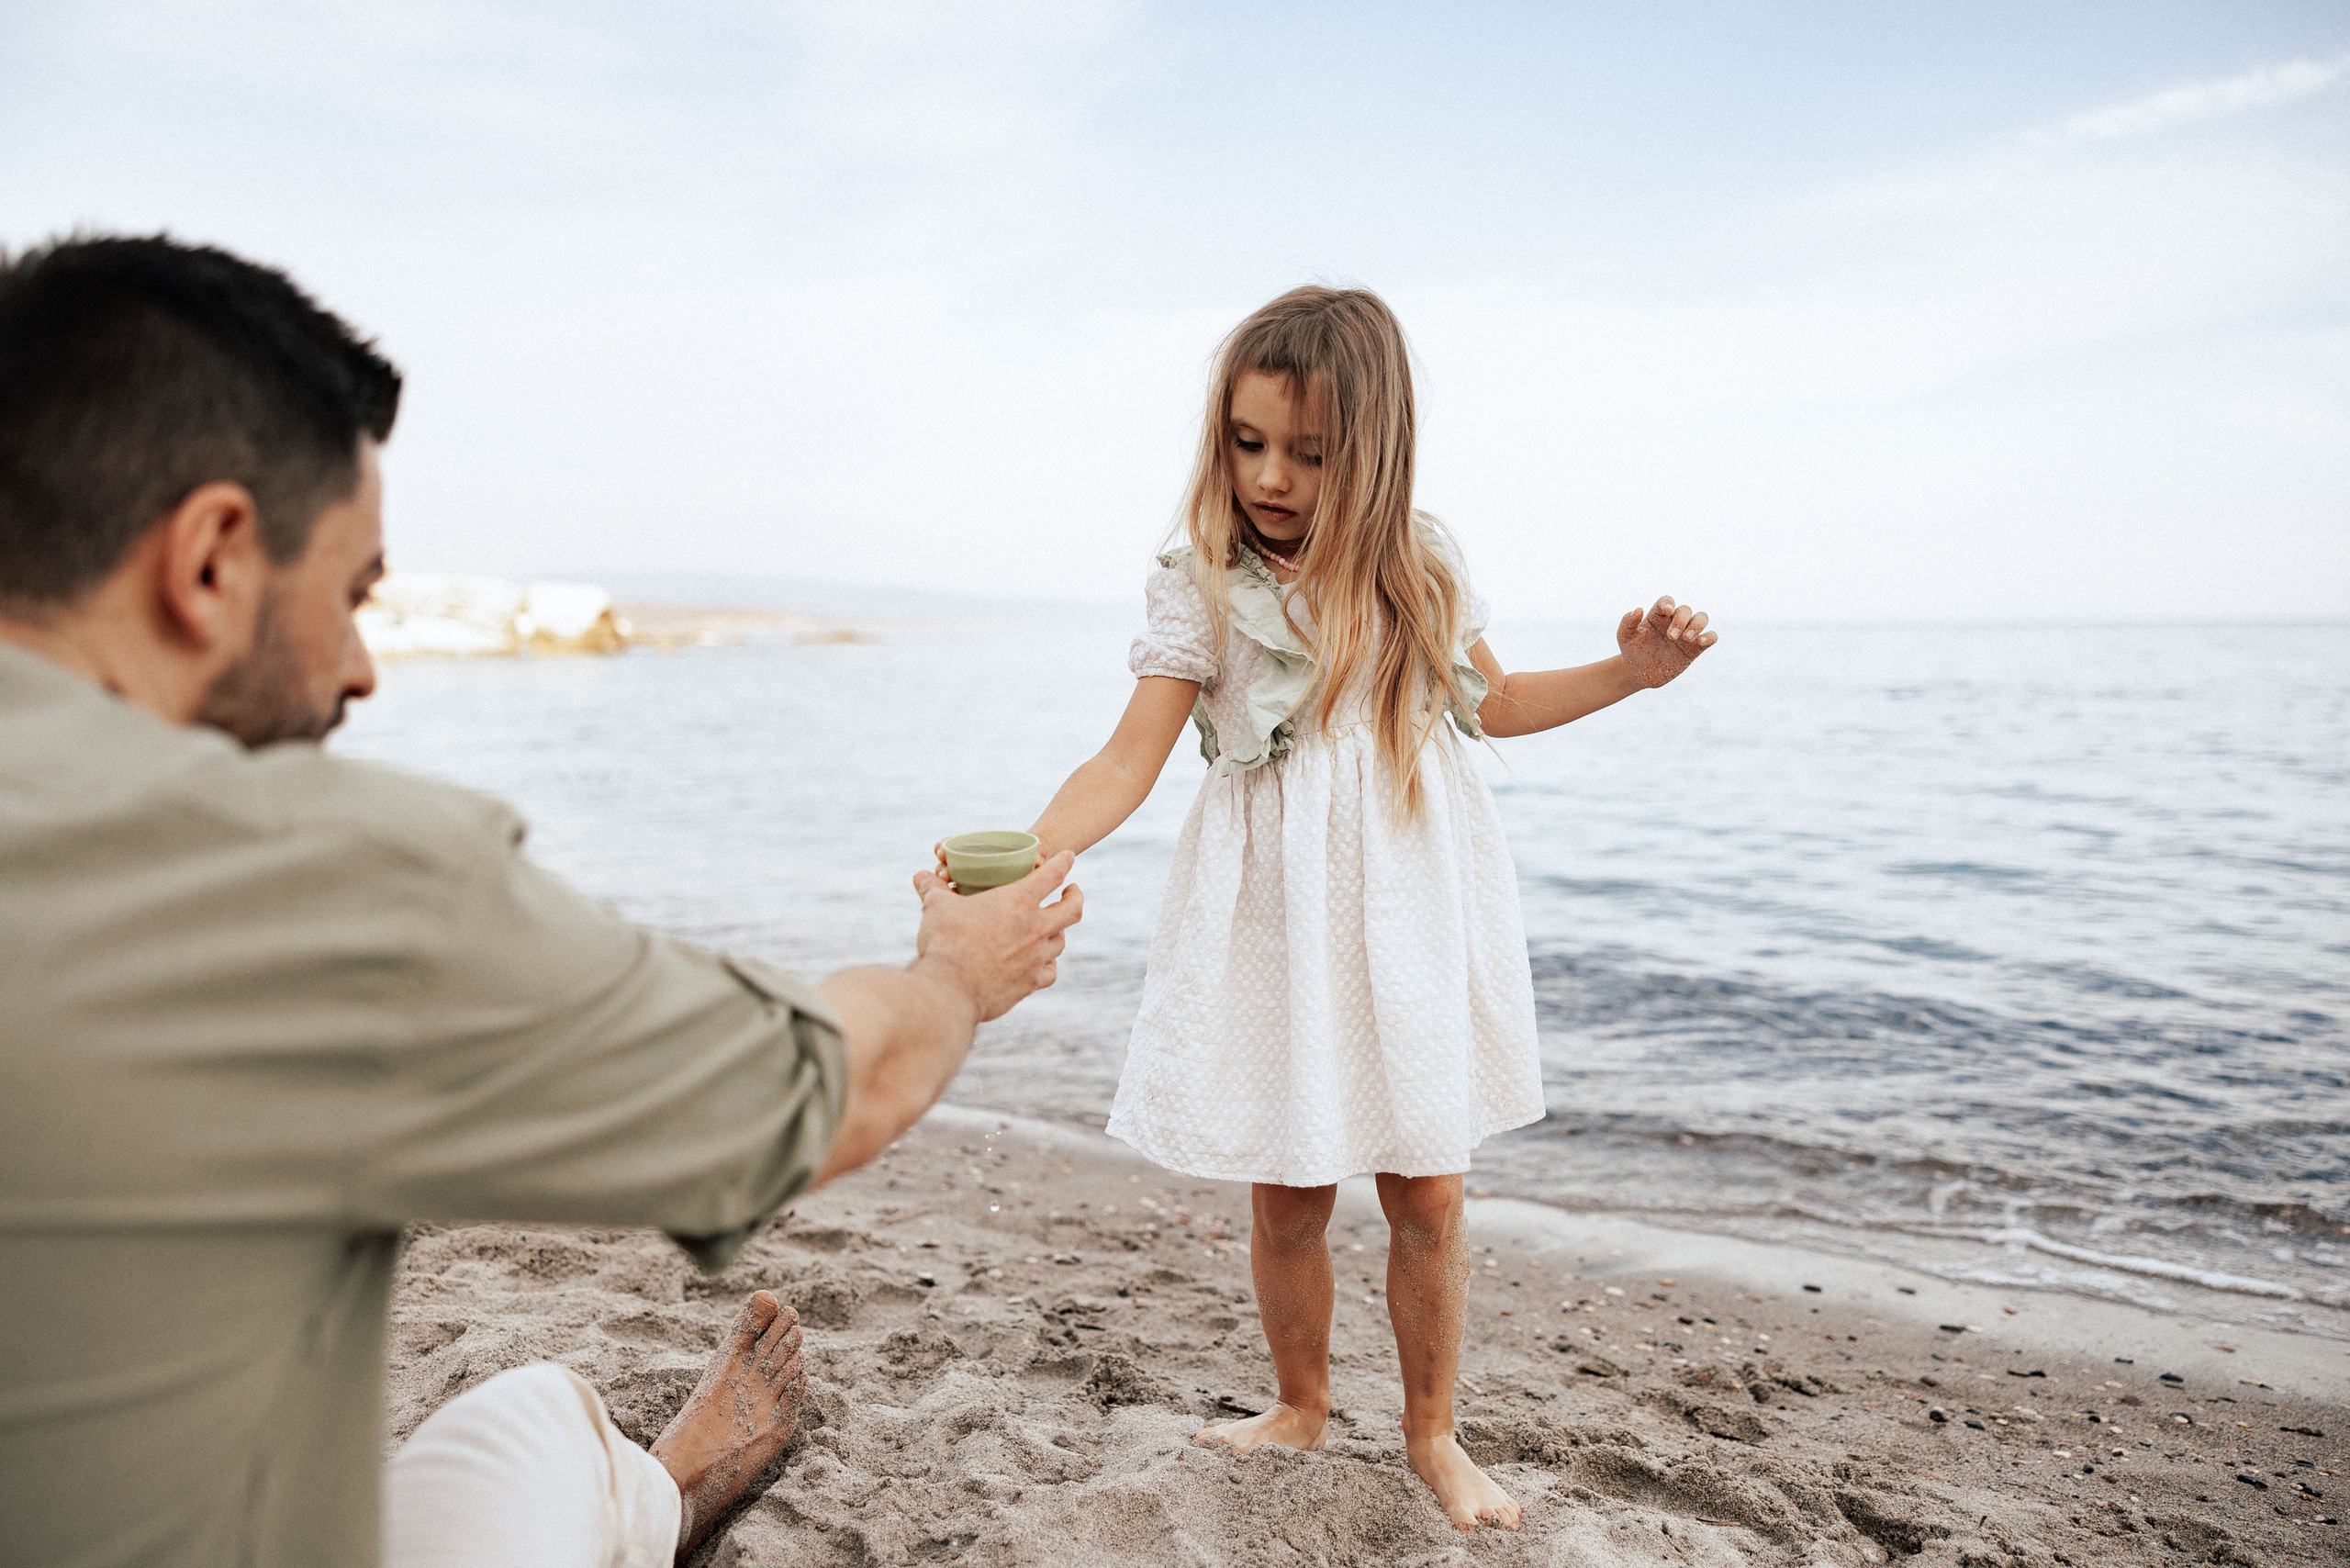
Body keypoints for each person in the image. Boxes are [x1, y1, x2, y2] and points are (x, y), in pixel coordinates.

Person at [0, 233, 1082, 1568]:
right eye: (350, 596)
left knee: (514, 1413)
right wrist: (956, 973)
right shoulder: (294, 880)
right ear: (213, 558)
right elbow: (836, 1090)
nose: (360, 670)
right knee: (544, 1424)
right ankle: (662, 1504)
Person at [1019, 286, 1717, 1532]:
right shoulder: (1204, 578)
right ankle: (1299, 1403)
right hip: (1276, 919)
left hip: (1406, 905)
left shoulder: (1419, 563)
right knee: (1288, 1193)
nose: (1272, 476)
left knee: (1429, 1195)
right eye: (1248, 443)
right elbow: (1128, 756)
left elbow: (1492, 707)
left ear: (1376, 449)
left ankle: (1434, 1433)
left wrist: (1633, 673)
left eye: (1311, 452)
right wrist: (1032, 849)